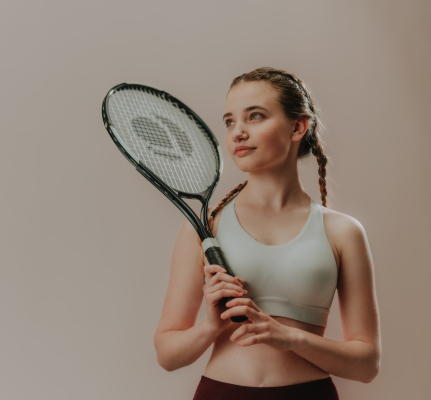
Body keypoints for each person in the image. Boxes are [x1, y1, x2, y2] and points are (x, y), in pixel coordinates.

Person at [153, 67, 381, 400]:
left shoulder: (342, 232)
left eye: (255, 116)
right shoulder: (205, 229)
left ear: (297, 127)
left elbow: (367, 365)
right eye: (230, 121)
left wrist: (291, 338)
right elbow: (167, 355)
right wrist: (212, 326)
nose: (237, 133)